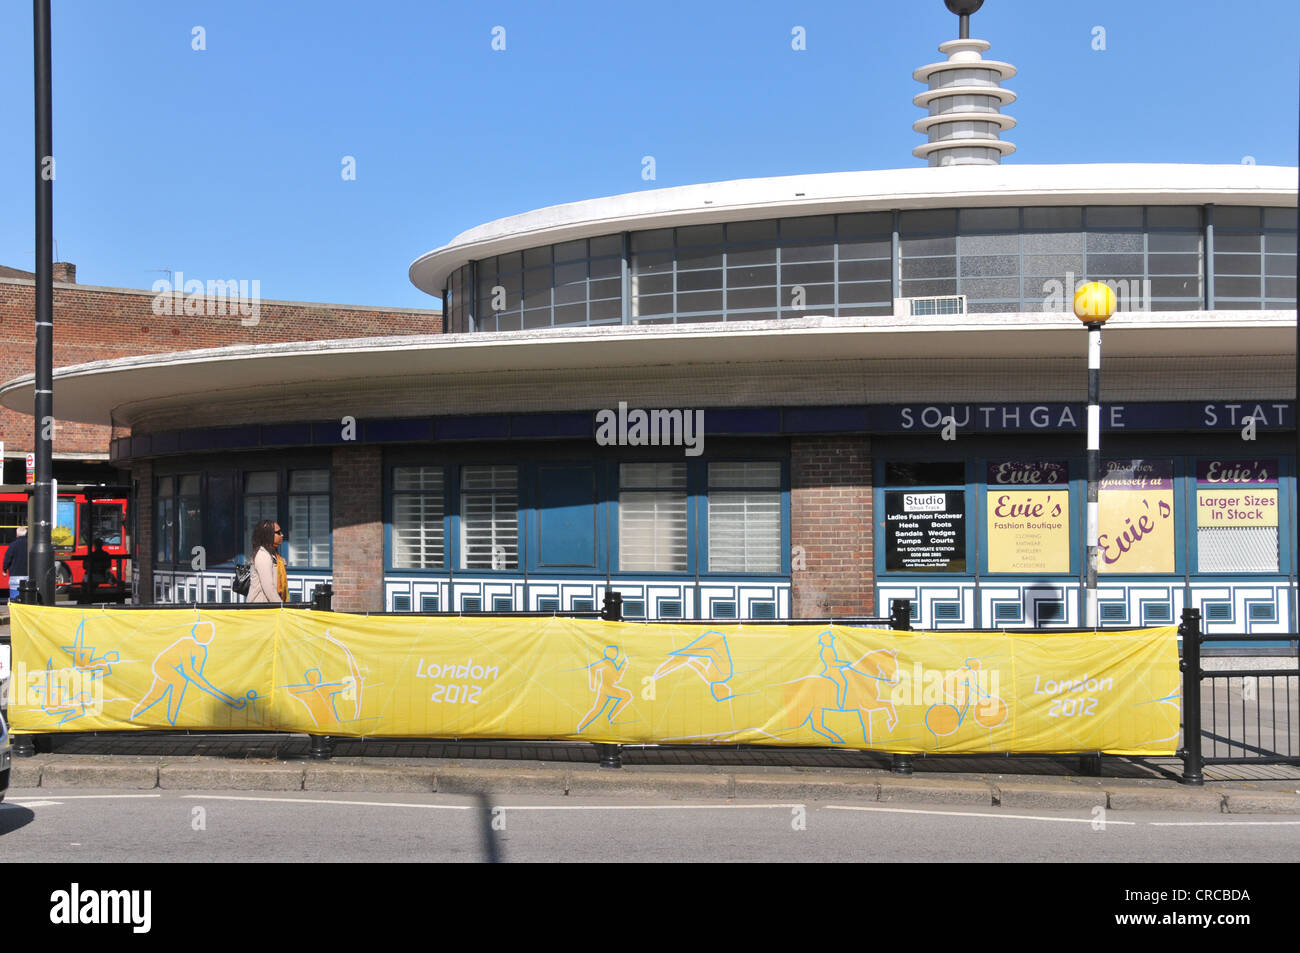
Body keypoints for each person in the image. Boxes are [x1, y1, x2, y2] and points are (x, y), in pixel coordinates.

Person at [246, 520, 284, 604]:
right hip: (260, 608)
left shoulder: (272, 554)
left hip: (267, 606)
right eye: (278, 532)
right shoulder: (263, 555)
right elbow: (268, 587)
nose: (282, 535)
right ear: (268, 535)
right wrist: (281, 607)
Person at [4, 525, 28, 602]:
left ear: (17, 534)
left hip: (15, 576)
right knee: (26, 597)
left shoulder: (13, 545)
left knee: (15, 598)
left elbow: (8, 558)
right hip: (28, 576)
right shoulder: (30, 544)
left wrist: (4, 569)